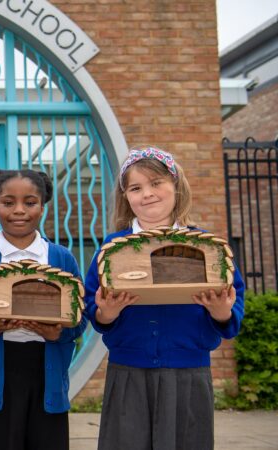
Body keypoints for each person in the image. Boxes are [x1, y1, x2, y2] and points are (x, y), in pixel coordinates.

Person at [83, 146, 245, 450]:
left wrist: (222, 312)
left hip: (189, 375)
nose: (147, 194)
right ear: (126, 197)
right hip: (128, 373)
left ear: (176, 186)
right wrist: (106, 313)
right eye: (136, 187)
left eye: (156, 183)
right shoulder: (112, 248)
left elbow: (232, 305)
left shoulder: (207, 247)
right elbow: (93, 306)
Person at [0, 169, 87, 450]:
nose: (19, 210)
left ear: (42, 207)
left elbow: (79, 317)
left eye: (29, 202)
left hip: (46, 370)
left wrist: (58, 335)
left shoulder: (61, 258)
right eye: (8, 202)